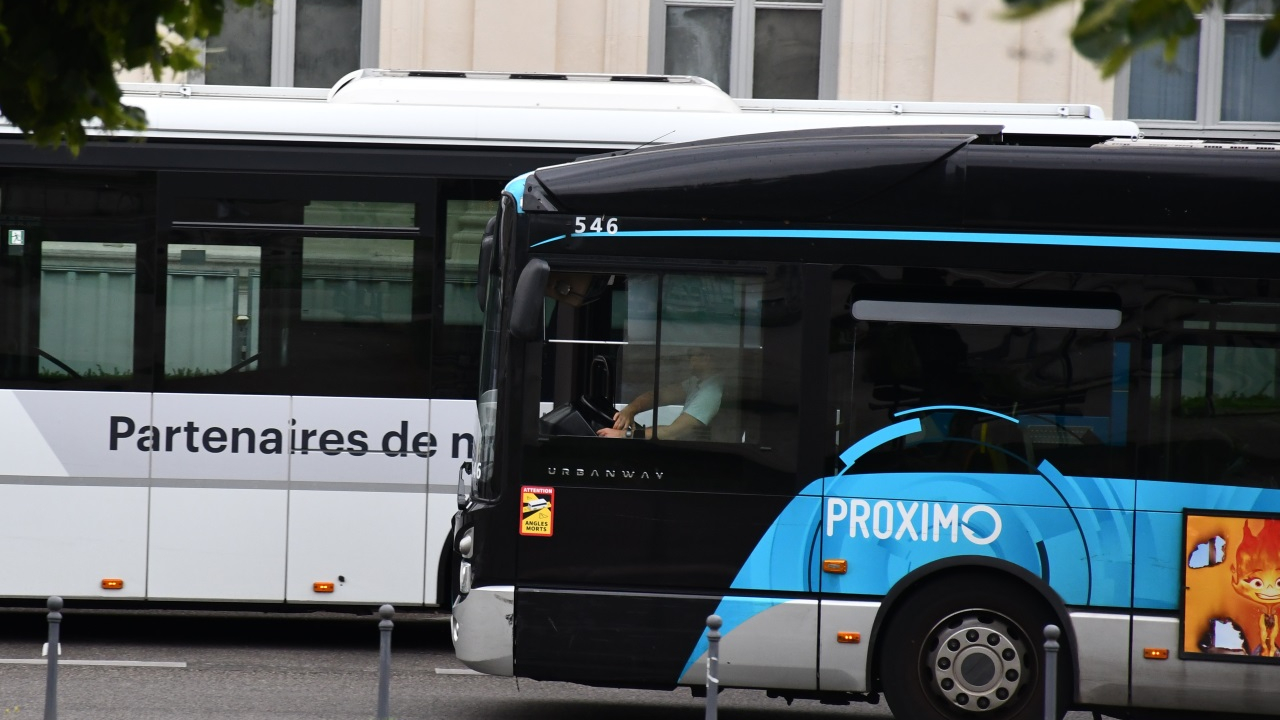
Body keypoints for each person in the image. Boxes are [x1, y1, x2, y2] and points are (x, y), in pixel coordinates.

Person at [597, 347, 723, 441]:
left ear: (706, 358)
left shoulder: (711, 392)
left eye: (692, 355)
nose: (689, 360)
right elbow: (660, 395)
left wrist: (624, 435)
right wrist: (630, 410)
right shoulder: (697, 381)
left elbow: (673, 433)